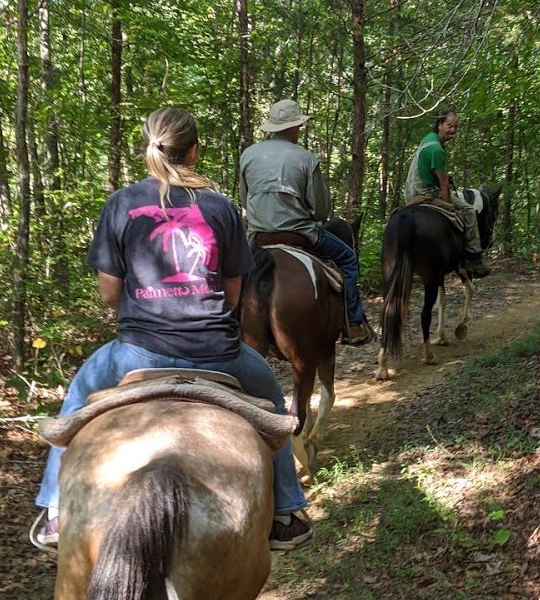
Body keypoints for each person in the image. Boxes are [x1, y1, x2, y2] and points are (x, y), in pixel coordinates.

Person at [31, 107, 312, 552]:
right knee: (273, 401)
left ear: (148, 149)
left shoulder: (121, 204)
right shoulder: (220, 207)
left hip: (137, 353)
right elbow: (235, 295)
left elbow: (109, 294)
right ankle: (286, 512)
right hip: (218, 352)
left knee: (77, 394)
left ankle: (56, 508)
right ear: (194, 151)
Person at [239, 99, 374, 346]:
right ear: (293, 128)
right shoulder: (306, 158)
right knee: (347, 258)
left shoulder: (248, 155)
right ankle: (354, 323)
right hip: (300, 234)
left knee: (234, 270)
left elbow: (244, 198)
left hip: (258, 237)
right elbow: (321, 210)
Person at [404, 110, 490, 278]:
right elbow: (443, 185)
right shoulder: (438, 150)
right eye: (449, 126)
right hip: (427, 192)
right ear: (439, 124)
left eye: (456, 127)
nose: (453, 130)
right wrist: (448, 205)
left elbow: (431, 170)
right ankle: (473, 257)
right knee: (469, 211)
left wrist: (444, 177)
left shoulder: (428, 139)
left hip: (411, 191)